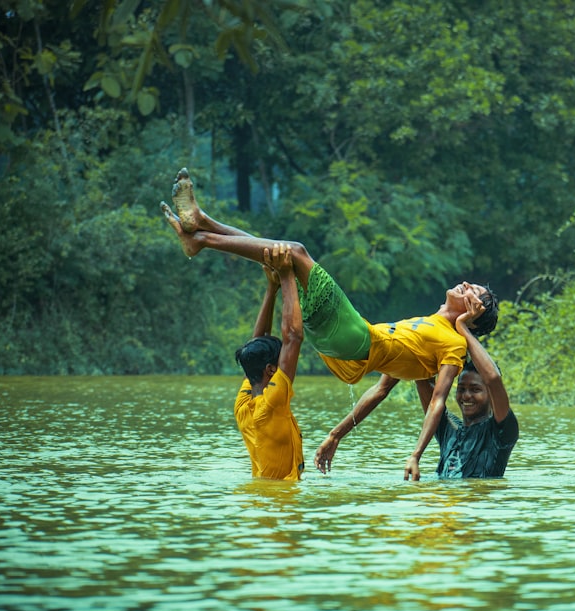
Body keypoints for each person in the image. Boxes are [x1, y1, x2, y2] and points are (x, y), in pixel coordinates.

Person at [161, 167, 499, 480]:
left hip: (355, 339)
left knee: (295, 251)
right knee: (287, 257)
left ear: (475, 311)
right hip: (343, 349)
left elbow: (439, 401)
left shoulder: (452, 344)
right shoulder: (428, 330)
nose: (465, 285)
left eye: (473, 293)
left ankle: (201, 238)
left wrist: (416, 455)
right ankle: (203, 223)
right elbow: (379, 390)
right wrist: (335, 435)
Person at [416, 309, 518, 478]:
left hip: (477, 503)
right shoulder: (447, 430)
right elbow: (422, 377)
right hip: (448, 502)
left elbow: (492, 378)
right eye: (461, 389)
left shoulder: (501, 433)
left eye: (475, 389)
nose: (466, 396)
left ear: (490, 395)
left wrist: (462, 327)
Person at [233, 243, 305, 481]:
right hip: (282, 504)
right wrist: (286, 276)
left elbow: (256, 343)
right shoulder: (273, 402)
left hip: (264, 497)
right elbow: (293, 337)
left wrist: (271, 288)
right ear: (271, 369)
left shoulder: (244, 404)